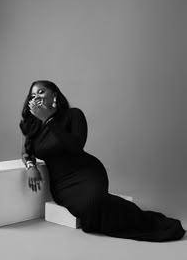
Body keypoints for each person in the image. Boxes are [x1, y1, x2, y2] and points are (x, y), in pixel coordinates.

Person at [19, 80, 185, 242]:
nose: (36, 97)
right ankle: (127, 214)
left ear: (54, 94)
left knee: (95, 201)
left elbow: (75, 146)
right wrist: (31, 166)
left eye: (41, 92)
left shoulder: (74, 115)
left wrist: (49, 120)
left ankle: (149, 222)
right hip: (62, 184)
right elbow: (26, 150)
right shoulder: (35, 126)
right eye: (33, 95)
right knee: (87, 209)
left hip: (86, 172)